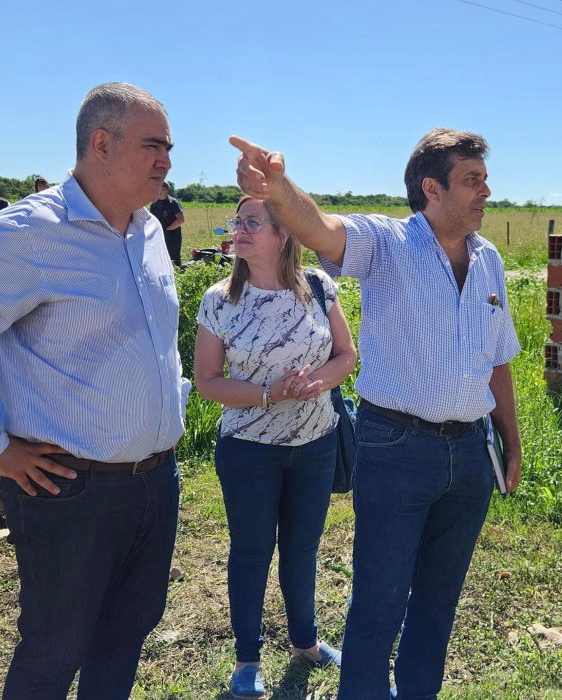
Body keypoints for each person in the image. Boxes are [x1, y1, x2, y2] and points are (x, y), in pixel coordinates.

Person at [229, 128, 523, 699]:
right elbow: (320, 228)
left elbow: (500, 358)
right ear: (432, 189)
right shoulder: (388, 243)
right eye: (472, 180)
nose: (485, 191)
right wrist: (279, 188)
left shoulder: (488, 260)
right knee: (380, 599)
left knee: (439, 600)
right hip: (397, 448)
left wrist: (511, 440)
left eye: (484, 179)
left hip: (469, 454)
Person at [0, 82, 189, 700]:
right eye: (153, 146)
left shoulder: (148, 231)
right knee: (54, 648)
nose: (167, 161)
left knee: (125, 636)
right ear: (101, 143)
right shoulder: (31, 232)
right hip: (69, 488)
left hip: (155, 479)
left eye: (168, 147)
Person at [194, 196, 357, 698]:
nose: (238, 230)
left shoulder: (318, 286)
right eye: (237, 222)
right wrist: (270, 395)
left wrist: (318, 383)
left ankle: (305, 641)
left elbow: (347, 355)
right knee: (250, 552)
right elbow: (208, 382)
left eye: (251, 223)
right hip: (249, 450)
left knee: (302, 549)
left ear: (283, 233)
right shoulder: (219, 300)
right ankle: (247, 659)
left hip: (315, 443)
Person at [150, 181, 185, 266]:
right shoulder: (154, 204)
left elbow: (180, 220)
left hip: (172, 237)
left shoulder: (173, 203)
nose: (156, 190)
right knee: (159, 258)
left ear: (165, 189)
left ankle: (177, 277)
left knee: (173, 258)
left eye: (159, 187)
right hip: (157, 236)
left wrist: (167, 229)